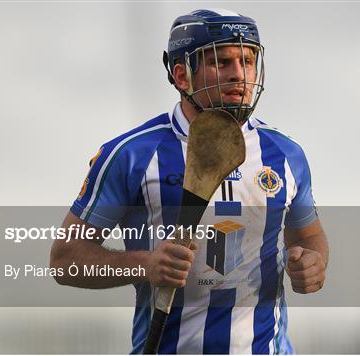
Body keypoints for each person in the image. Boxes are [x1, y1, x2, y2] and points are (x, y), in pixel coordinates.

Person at [50, 8, 329, 354]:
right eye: (222, 62)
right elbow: (65, 261)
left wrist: (312, 263)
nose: (239, 75)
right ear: (182, 76)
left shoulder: (286, 154)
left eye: (247, 60)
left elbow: (311, 237)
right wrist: (146, 265)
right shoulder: (131, 154)